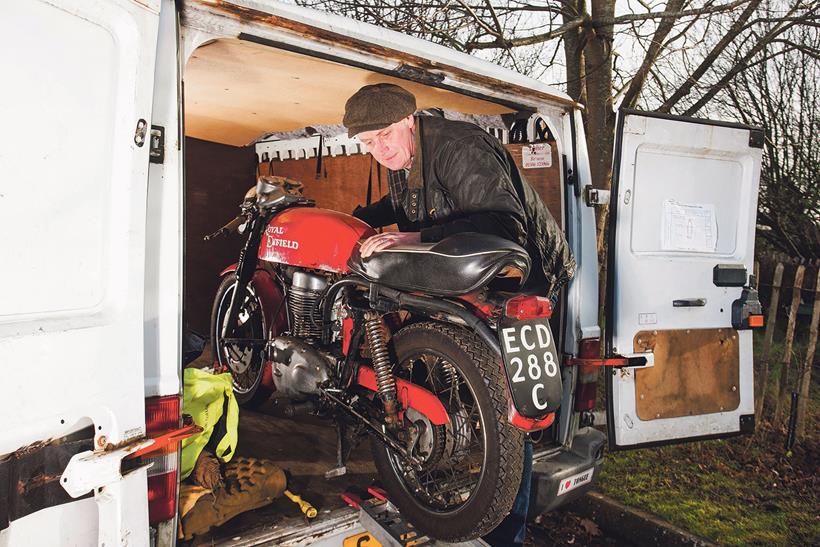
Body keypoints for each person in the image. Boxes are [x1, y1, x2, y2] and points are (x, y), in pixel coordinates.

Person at [343, 83, 576, 546]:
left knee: (512, 407)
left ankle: (506, 532)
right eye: (367, 143)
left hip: (523, 273)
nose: (379, 149)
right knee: (465, 377)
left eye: (384, 135)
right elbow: (409, 203)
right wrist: (361, 218)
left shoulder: (461, 147)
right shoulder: (406, 156)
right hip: (472, 269)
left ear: (409, 120)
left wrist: (407, 239)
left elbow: (500, 223)